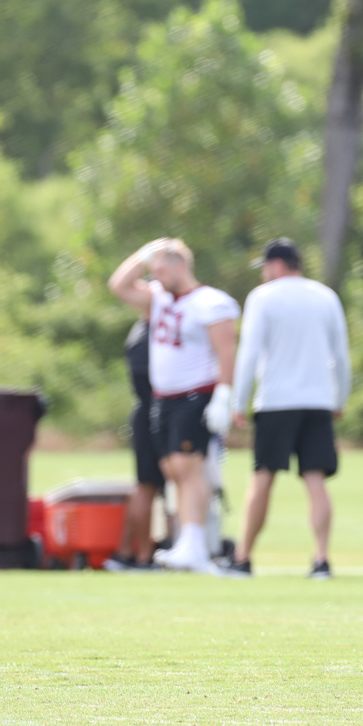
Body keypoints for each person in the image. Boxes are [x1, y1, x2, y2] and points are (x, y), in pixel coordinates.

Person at [107, 237, 239, 573]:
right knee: (172, 470)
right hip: (163, 398)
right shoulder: (159, 298)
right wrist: (144, 254)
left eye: (162, 269)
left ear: (180, 266)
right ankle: (188, 541)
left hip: (193, 394)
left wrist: (224, 394)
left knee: (186, 466)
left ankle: (195, 543)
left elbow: (226, 352)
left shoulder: (210, 302)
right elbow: (119, 285)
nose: (157, 276)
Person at [221, 238, 351, 580]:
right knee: (315, 479)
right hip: (318, 400)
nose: (263, 274)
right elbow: (340, 354)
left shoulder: (262, 297)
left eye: (265, 267)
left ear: (277, 265)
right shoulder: (326, 296)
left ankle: (242, 558)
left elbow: (249, 353)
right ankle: (321, 559)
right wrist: (340, 398)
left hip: (276, 402)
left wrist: (239, 401)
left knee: (262, 478)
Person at [101, 301, 164, 572]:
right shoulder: (148, 334)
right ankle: (143, 556)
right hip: (152, 414)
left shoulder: (142, 330)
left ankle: (126, 551)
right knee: (147, 486)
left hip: (146, 413)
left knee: (146, 486)